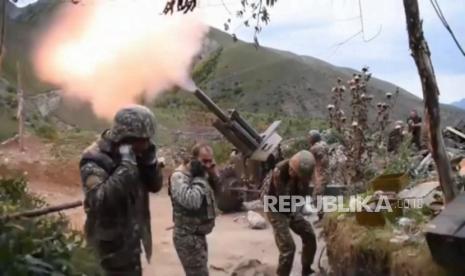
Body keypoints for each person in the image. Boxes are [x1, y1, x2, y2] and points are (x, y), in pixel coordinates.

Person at [79, 105, 164, 276]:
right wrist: (126, 167)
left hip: (131, 247)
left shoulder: (138, 153)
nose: (147, 143)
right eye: (142, 139)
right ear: (125, 139)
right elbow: (99, 200)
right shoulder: (94, 159)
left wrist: (149, 163)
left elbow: (155, 186)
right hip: (106, 254)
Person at [169, 143, 219, 276]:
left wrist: (213, 176)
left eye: (210, 161)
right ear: (194, 159)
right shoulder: (179, 177)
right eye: (204, 161)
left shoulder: (201, 173)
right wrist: (200, 178)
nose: (208, 165)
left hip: (198, 235)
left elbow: (216, 195)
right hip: (187, 236)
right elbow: (192, 202)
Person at [264, 150, 317, 276]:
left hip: (289, 206)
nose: (292, 173)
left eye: (296, 173)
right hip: (275, 207)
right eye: (292, 170)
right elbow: (283, 201)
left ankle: (306, 269)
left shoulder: (304, 176)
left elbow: (300, 196)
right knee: (288, 248)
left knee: (309, 235)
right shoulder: (279, 172)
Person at [308, 130, 330, 199]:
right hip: (325, 173)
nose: (308, 139)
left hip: (320, 175)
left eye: (309, 137)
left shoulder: (314, 148)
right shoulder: (324, 145)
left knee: (317, 195)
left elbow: (309, 160)